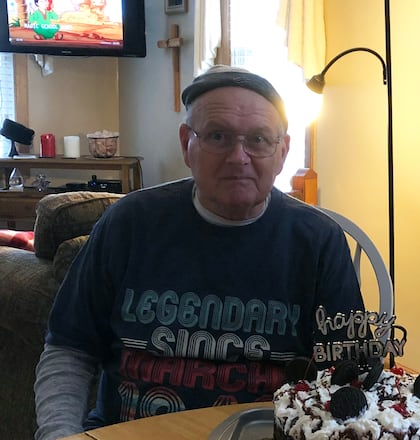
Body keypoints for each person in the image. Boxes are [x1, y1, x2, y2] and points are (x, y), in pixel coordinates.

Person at [33, 65, 366, 440]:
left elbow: (343, 375)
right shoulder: (128, 223)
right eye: (218, 136)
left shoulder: (318, 242)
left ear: (283, 151)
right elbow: (68, 348)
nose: (238, 157)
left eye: (258, 139)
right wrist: (59, 433)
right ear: (185, 143)